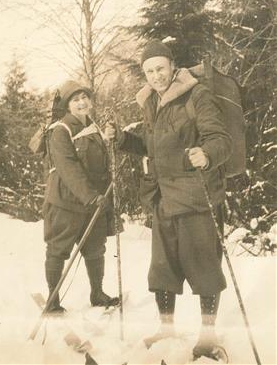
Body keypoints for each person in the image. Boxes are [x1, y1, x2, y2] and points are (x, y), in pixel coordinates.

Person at [104, 40, 232, 360]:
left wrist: (207, 153)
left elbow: (220, 138)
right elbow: (152, 144)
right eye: (149, 71)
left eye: (160, 68)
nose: (156, 75)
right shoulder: (152, 101)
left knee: (204, 269)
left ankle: (207, 336)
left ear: (172, 65)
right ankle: (166, 327)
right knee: (162, 270)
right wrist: (122, 139)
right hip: (163, 199)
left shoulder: (196, 94)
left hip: (196, 198)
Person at [43, 80, 119, 314]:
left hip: (94, 202)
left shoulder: (95, 127)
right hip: (66, 202)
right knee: (58, 249)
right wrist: (91, 197)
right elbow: (68, 169)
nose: (82, 102)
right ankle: (53, 301)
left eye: (84, 97)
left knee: (96, 249)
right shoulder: (61, 130)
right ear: (67, 106)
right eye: (75, 100)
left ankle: (97, 293)